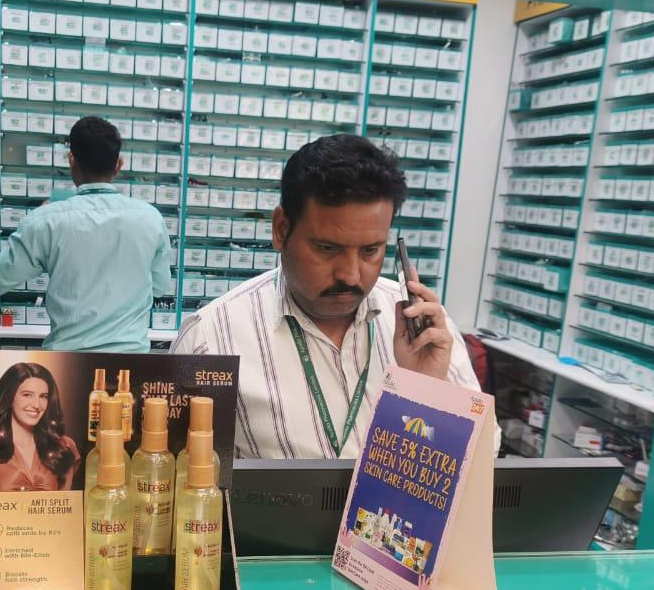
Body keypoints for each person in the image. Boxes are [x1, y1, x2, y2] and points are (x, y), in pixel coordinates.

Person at [172, 134, 497, 459]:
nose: (351, 276)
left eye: (370, 251)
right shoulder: (209, 340)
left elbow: (485, 454)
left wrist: (426, 391)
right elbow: (175, 469)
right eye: (328, 248)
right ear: (281, 229)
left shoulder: (426, 331)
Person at [0, 116, 173, 352]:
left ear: (71, 160)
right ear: (118, 164)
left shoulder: (45, 220)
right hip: (130, 362)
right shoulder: (150, 219)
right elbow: (159, 287)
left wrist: (36, 240)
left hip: (66, 363)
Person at [0, 361, 80, 492]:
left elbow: (65, 503)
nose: (37, 405)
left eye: (43, 396)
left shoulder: (64, 448)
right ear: (9, 398)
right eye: (27, 395)